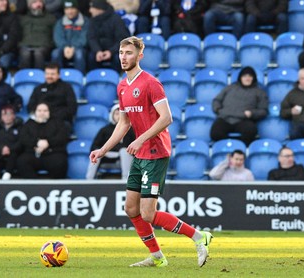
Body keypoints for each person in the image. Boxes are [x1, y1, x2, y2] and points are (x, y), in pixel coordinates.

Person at [89, 36, 213, 268]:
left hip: (156, 152)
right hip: (140, 153)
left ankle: (199, 236)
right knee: (130, 208)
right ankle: (157, 257)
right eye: (121, 53)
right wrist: (103, 149)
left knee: (147, 213)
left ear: (139, 56)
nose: (124, 57)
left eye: (128, 53)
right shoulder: (122, 86)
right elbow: (123, 123)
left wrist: (141, 139)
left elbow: (166, 118)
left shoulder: (151, 83)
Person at [210, 66, 269, 146]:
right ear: (240, 78)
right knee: (215, 133)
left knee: (250, 131)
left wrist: (252, 113)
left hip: (243, 119)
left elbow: (263, 111)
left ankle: (240, 148)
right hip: (225, 118)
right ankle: (227, 148)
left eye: (250, 76)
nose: (247, 78)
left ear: (253, 78)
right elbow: (216, 100)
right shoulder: (229, 88)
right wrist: (218, 110)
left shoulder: (259, 92)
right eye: (245, 76)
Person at [17, 102, 69, 179]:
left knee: (60, 162)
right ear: (35, 112)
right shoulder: (29, 123)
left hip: (53, 152)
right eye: (39, 110)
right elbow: (23, 138)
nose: (42, 113)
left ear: (49, 112)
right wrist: (36, 143)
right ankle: (33, 186)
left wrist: (48, 143)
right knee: (22, 161)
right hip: (33, 153)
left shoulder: (57, 122)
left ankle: (54, 187)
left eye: (45, 111)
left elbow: (62, 137)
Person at [86, 104, 135, 179]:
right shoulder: (104, 130)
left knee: (124, 151)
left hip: (124, 156)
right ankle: (89, 180)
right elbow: (94, 146)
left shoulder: (130, 130)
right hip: (106, 155)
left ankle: (126, 179)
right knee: (96, 152)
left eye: (121, 114)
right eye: (116, 114)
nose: (119, 116)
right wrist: (103, 151)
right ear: (112, 115)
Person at [27, 62, 77, 131]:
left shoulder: (66, 88)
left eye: (52, 74)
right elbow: (30, 107)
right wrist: (41, 114)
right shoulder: (38, 89)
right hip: (40, 121)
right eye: (47, 74)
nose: (49, 76)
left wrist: (51, 116)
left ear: (58, 75)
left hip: (60, 121)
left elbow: (72, 108)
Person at [87, 0, 130, 71]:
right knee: (91, 57)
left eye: (92, 8)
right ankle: (94, 79)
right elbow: (91, 38)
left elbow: (122, 39)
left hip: (115, 50)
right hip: (99, 50)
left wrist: (111, 51)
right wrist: (97, 50)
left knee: (118, 58)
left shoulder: (116, 20)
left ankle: (116, 78)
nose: (90, 10)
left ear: (99, 9)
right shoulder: (92, 20)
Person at [0, 105, 23, 180]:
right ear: (1, 116)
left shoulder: (20, 126)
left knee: (14, 159)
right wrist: (1, 149)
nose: (7, 117)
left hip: (14, 155)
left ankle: (7, 175)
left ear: (14, 115)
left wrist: (9, 149)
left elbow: (21, 142)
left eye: (9, 114)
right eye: (4, 114)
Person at [52, 0, 89, 73]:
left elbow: (84, 38)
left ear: (77, 9)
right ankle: (57, 77)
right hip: (63, 48)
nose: (70, 11)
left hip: (80, 48)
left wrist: (73, 47)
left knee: (79, 54)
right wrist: (65, 47)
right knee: (55, 53)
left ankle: (79, 77)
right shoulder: (60, 22)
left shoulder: (85, 21)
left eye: (72, 8)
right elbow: (58, 38)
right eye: (67, 9)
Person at [18, 0, 57, 69]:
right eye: (35, 2)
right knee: (25, 54)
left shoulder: (51, 18)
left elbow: (55, 35)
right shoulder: (23, 18)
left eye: (40, 2)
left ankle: (39, 77)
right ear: (29, 5)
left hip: (44, 46)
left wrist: (50, 44)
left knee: (38, 54)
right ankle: (24, 77)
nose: (38, 4)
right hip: (26, 45)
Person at [280, 68, 304, 140]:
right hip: (299, 124)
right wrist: (291, 111)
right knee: (295, 130)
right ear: (299, 80)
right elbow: (282, 112)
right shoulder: (292, 94)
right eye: (303, 79)